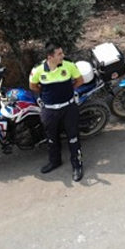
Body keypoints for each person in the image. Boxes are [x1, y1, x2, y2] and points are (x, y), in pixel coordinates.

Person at [29, 43, 85, 182]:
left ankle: (76, 165)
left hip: (68, 108)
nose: (63, 55)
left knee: (73, 138)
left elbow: (80, 80)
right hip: (49, 110)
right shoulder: (38, 70)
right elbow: (33, 86)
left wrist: (67, 91)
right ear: (50, 57)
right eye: (59, 54)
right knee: (51, 138)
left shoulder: (69, 65)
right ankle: (55, 161)